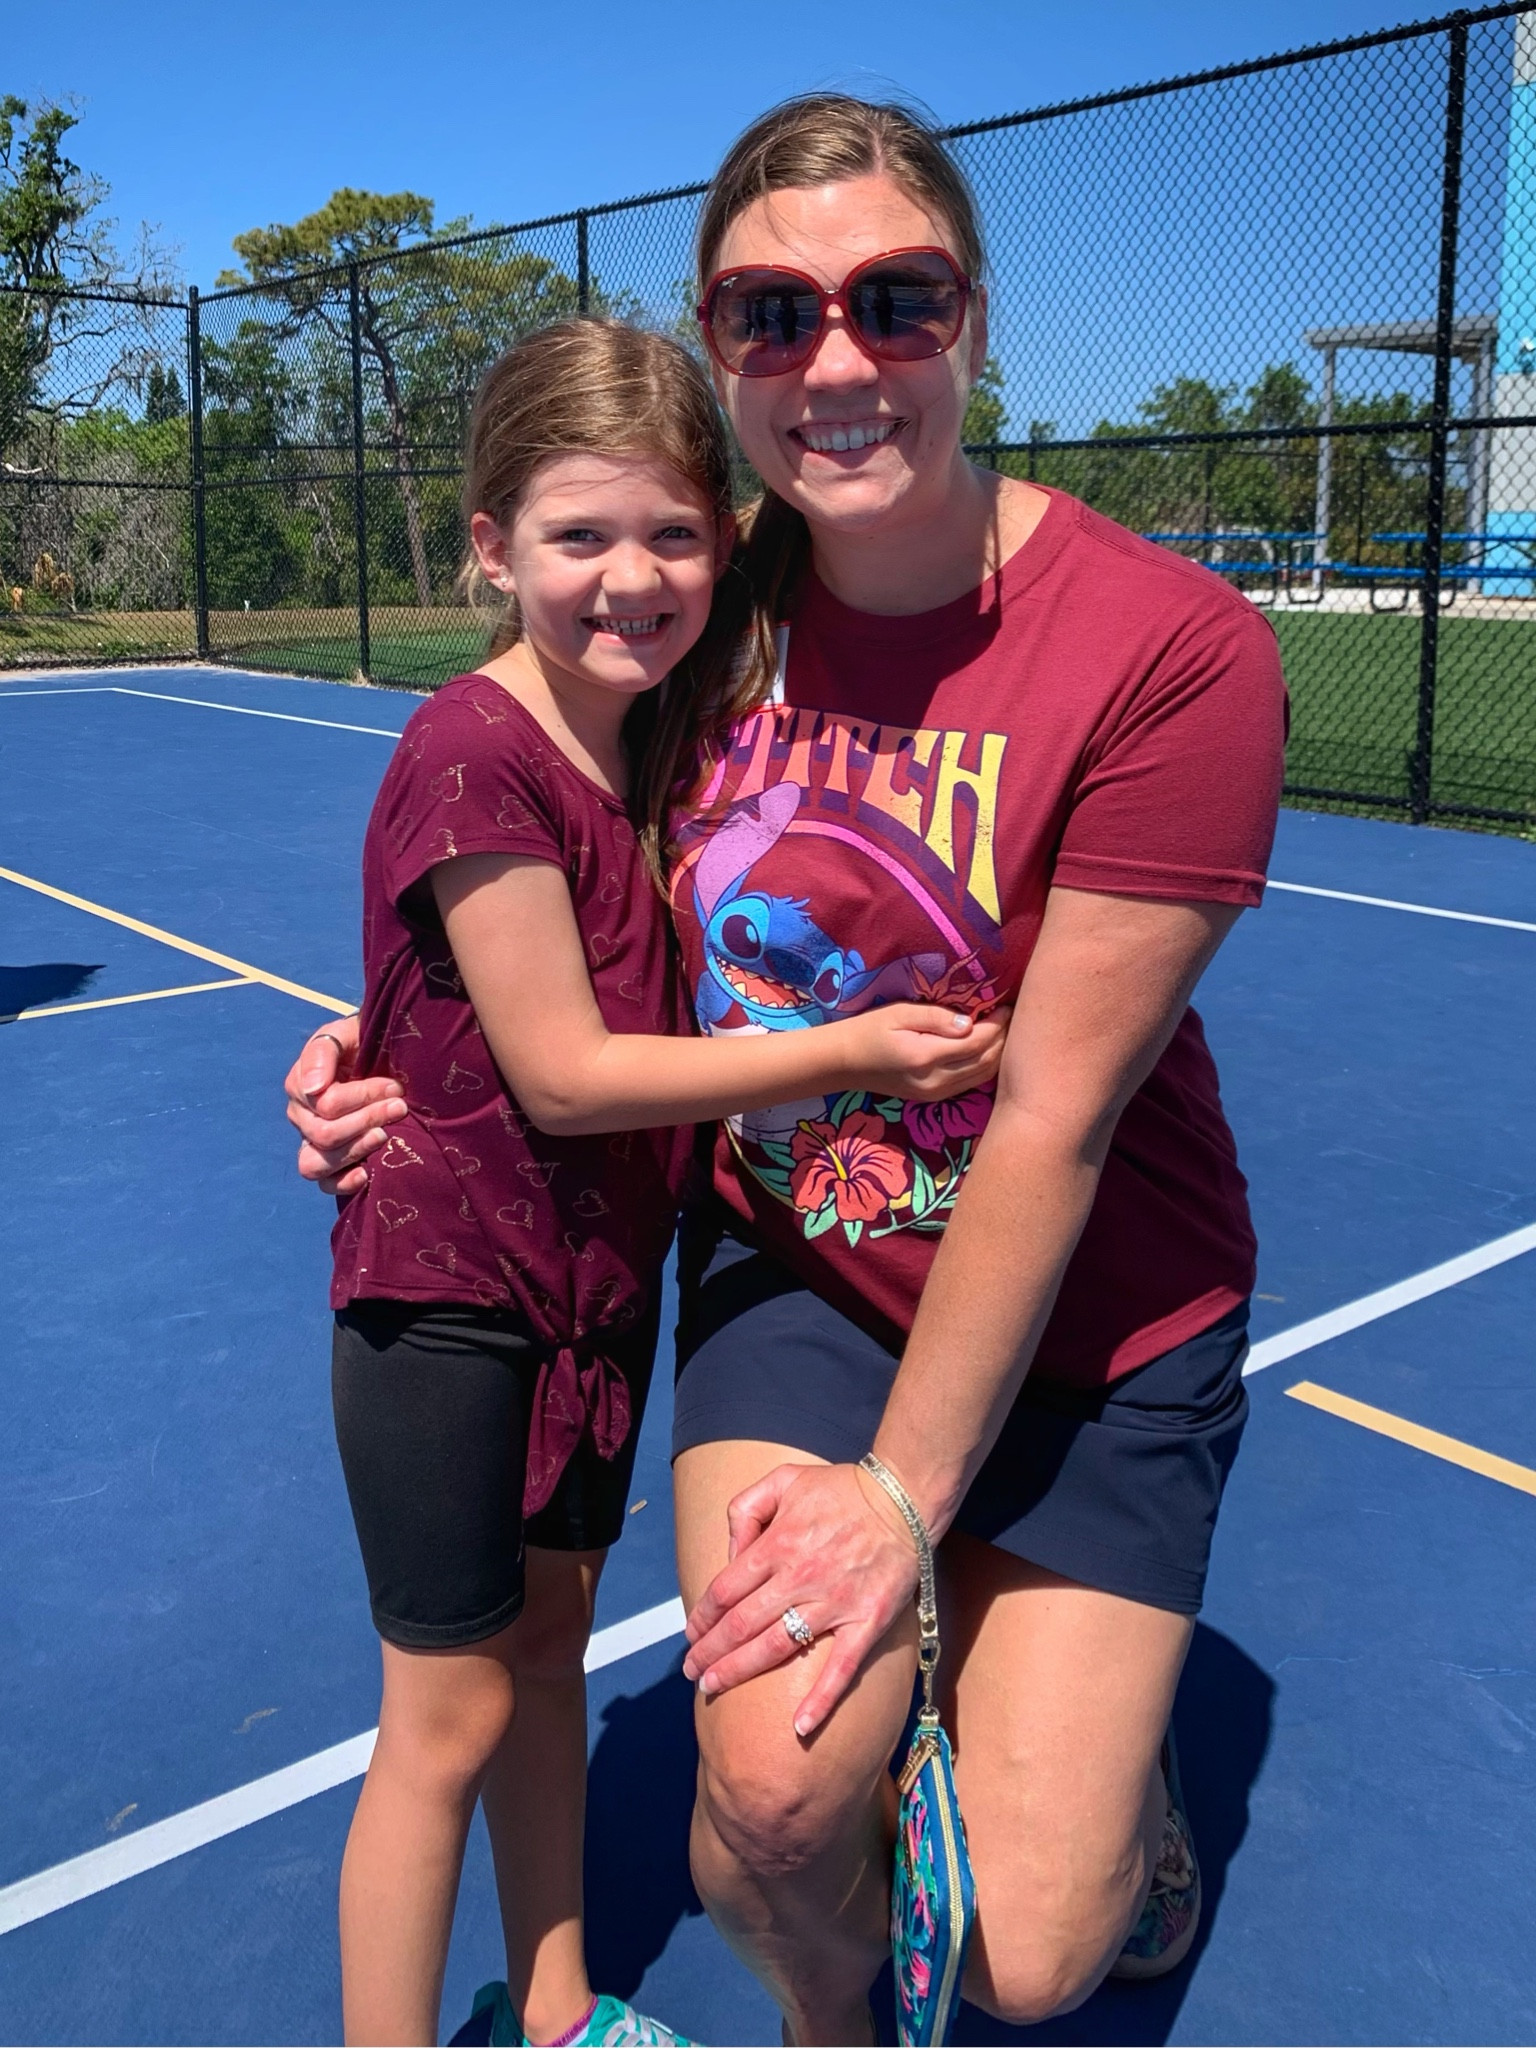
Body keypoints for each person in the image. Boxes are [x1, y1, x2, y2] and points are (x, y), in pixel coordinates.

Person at [290, 97, 1287, 2048]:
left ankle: (1113, 1795)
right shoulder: (705, 609)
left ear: (975, 322)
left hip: (1095, 1308)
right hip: (802, 1277)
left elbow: (1058, 1116)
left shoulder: (1173, 648)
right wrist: (379, 1044)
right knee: (760, 1818)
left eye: (895, 299)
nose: (836, 357)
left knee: (1034, 1952)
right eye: (770, 312)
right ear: (722, 344)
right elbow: (538, 864)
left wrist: (899, 1503)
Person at [318, 316, 1005, 2048]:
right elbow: (561, 1067)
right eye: (577, 536)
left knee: (549, 1663)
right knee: (446, 1723)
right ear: (491, 546)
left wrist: (360, 1029)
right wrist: (856, 1052)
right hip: (454, 1306)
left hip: (591, 1300)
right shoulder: (477, 751)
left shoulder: (649, 738)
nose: (629, 577)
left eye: (673, 535)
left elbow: (507, 992)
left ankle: (553, 2009)